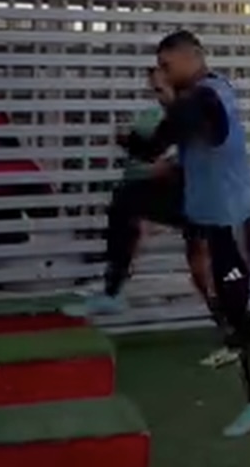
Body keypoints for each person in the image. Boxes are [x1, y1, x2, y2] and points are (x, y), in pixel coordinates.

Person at [125, 32, 250, 439]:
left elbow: (156, 144)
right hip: (206, 212)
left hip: (232, 219)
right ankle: (113, 287)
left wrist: (134, 136)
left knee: (238, 308)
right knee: (132, 206)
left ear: (192, 57)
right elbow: (177, 138)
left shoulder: (207, 95)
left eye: (167, 66)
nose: (163, 74)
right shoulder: (196, 97)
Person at [74, 69, 240, 370]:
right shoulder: (176, 115)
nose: (158, 98)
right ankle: (114, 289)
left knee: (203, 271)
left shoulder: (195, 110)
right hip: (194, 197)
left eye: (161, 91)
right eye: (155, 92)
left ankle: (235, 332)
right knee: (130, 205)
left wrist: (167, 165)